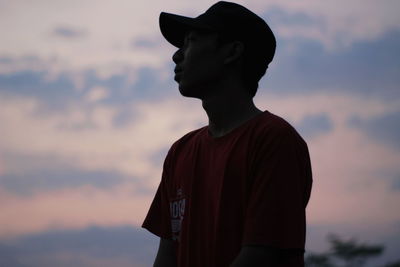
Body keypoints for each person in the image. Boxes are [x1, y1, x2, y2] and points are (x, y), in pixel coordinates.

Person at [142, 1, 313, 266]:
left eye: (191, 41)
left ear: (232, 52)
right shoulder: (180, 152)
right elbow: (167, 256)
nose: (177, 55)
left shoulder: (274, 140)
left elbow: (260, 257)